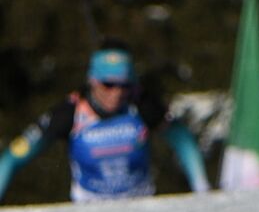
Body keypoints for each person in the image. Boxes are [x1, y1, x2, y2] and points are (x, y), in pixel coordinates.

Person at [0, 41, 210, 203]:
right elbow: (13, 157)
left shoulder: (143, 106)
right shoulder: (69, 113)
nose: (117, 93)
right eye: (108, 85)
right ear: (92, 81)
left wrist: (202, 190)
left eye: (123, 85)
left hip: (142, 209)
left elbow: (183, 142)